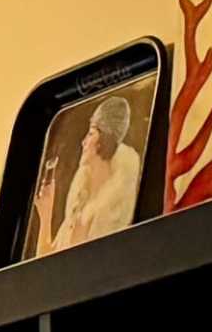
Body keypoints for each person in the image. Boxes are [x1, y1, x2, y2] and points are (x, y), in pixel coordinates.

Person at [36, 87, 147, 252]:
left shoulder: (109, 213)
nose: (83, 142)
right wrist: (46, 214)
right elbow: (46, 268)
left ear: (104, 139)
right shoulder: (78, 206)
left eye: (90, 134)